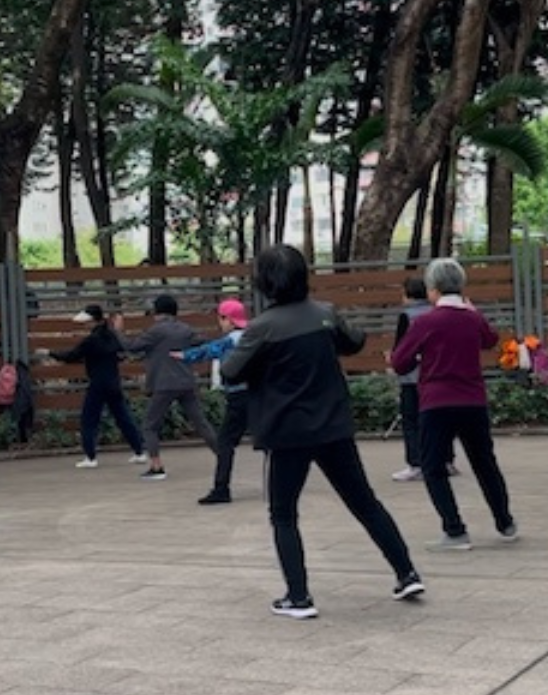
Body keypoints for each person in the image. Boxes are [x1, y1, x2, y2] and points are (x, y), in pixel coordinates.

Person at [221, 245, 424, 619]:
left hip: (286, 434)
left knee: (283, 514)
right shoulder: (325, 314)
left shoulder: (262, 328)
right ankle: (406, 572)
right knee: (365, 502)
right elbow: (354, 341)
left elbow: (231, 372)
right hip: (333, 427)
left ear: (264, 282)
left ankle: (298, 597)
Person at [390, 257, 518, 551]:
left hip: (436, 403)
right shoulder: (472, 318)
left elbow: (400, 362)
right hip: (473, 400)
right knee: (485, 462)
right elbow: (490, 340)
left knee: (433, 467)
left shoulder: (426, 322)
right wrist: (475, 312)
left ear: (433, 288)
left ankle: (455, 529)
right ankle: (504, 521)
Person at [110, 294, 217, 481]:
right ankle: (223, 455)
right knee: (201, 423)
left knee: (150, 426)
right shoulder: (185, 329)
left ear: (157, 312)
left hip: (164, 384)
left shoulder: (156, 331)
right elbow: (203, 342)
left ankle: (156, 466)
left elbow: (131, 346)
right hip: (186, 382)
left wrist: (118, 331)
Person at [40, 304, 146, 469]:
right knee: (123, 417)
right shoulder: (111, 336)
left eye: (87, 322)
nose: (85, 325)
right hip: (113, 382)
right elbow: (119, 353)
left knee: (89, 420)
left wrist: (50, 353)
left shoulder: (91, 340)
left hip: (97, 383)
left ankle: (90, 456)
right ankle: (139, 451)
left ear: (92, 321)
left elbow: (71, 355)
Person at [171, 299, 249, 505]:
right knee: (269, 439)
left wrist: (184, 355)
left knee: (225, 443)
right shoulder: (252, 336)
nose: (220, 323)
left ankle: (221, 489)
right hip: (258, 395)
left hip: (238, 397)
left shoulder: (231, 340)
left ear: (229, 319)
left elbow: (211, 350)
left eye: (221, 318)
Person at [389, 276, 459, 482]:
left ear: (407, 295)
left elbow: (401, 347)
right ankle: (446, 460)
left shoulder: (406, 316)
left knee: (411, 420)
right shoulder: (438, 313)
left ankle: (416, 463)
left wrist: (393, 359)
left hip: (412, 376)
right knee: (440, 419)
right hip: (437, 376)